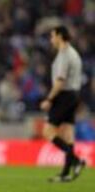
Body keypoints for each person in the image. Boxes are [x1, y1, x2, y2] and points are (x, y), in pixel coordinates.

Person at [40, 26, 86, 182]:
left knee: (47, 131)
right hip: (73, 95)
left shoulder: (65, 54)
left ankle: (76, 160)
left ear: (60, 36)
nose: (51, 40)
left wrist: (49, 99)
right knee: (67, 134)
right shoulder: (72, 53)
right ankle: (66, 173)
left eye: (53, 36)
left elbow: (60, 81)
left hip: (64, 96)